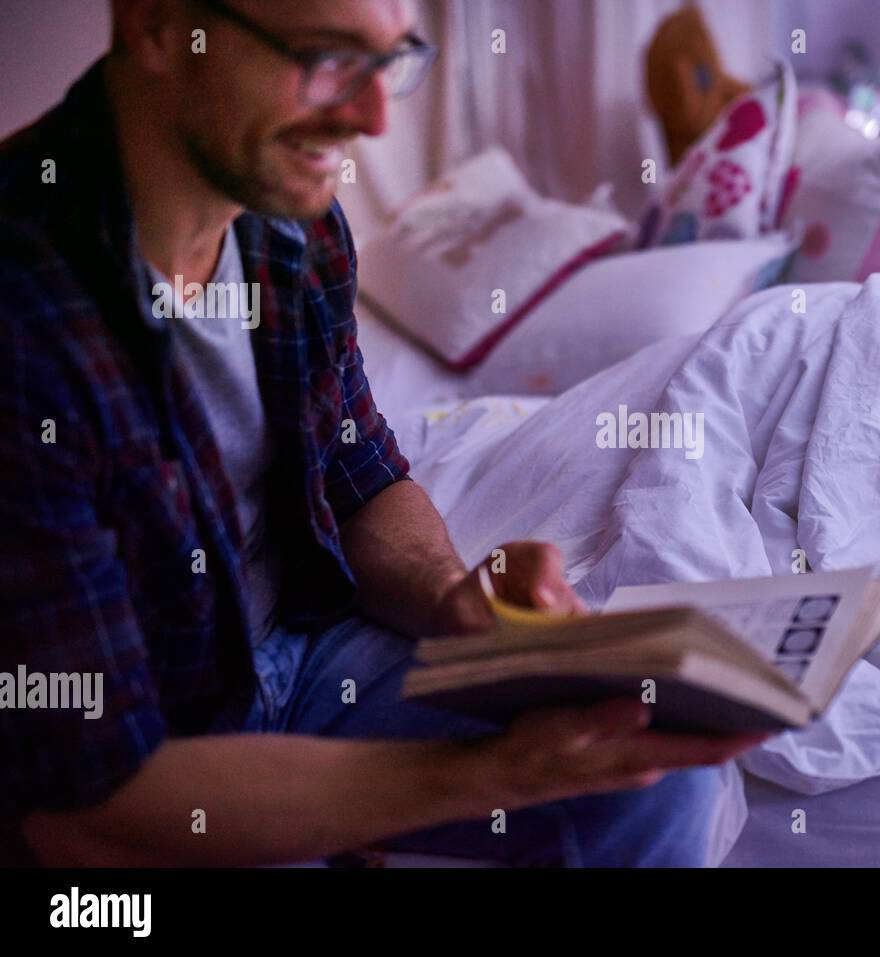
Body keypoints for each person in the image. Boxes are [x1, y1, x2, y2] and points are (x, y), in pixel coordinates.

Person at [0, 0, 763, 867]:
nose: (373, 117)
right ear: (159, 26)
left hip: (304, 650)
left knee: (655, 772)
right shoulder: (27, 314)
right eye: (325, 57)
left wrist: (452, 599)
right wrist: (493, 774)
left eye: (389, 60)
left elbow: (361, 474)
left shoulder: (296, 224)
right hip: (162, 751)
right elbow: (84, 807)